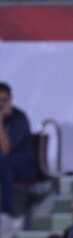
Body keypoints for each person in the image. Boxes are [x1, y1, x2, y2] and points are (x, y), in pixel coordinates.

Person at [0, 82, 37, 223]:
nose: (1, 105)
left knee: (3, 160)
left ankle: (6, 214)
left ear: (10, 100)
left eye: (4, 101)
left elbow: (6, 149)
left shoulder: (19, 118)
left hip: (25, 166)